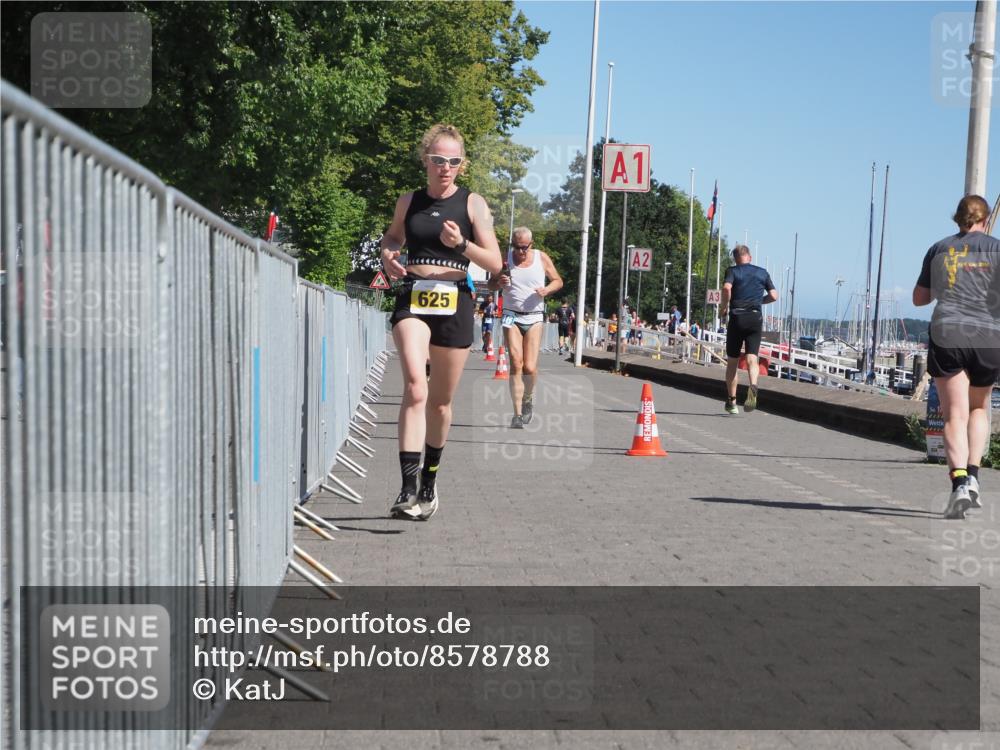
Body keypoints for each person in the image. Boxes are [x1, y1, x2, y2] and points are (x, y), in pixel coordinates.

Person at [381, 124, 502, 520]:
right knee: (416, 387)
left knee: (440, 403)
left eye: (453, 161)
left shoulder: (473, 205)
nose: (445, 168)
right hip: (414, 295)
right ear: (425, 161)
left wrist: (462, 245)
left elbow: (495, 263)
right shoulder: (408, 201)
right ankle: (406, 487)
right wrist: (389, 255)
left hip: (455, 302)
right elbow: (393, 238)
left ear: (461, 165)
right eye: (438, 160)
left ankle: (429, 485)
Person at [913, 195, 1000, 519]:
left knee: (954, 416)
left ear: (957, 218)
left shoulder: (939, 249)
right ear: (986, 219)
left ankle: (959, 482)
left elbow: (919, 298)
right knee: (979, 407)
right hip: (989, 336)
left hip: (949, 334)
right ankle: (974, 478)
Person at [488, 227, 563, 428]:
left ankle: (528, 398)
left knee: (529, 367)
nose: (520, 252)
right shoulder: (505, 260)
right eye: (517, 247)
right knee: (515, 362)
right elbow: (491, 285)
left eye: (524, 247)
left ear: (531, 244)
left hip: (534, 316)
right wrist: (499, 282)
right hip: (510, 316)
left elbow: (558, 281)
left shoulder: (541, 258)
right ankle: (517, 414)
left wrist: (547, 289)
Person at [719, 245, 778, 415]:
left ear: (735, 258)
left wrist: (723, 307)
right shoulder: (762, 272)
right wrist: (760, 302)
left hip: (737, 318)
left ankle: (732, 402)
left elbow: (726, 289)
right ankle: (753, 386)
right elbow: (774, 295)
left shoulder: (732, 271)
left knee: (732, 362)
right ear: (749, 257)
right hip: (754, 318)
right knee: (753, 358)